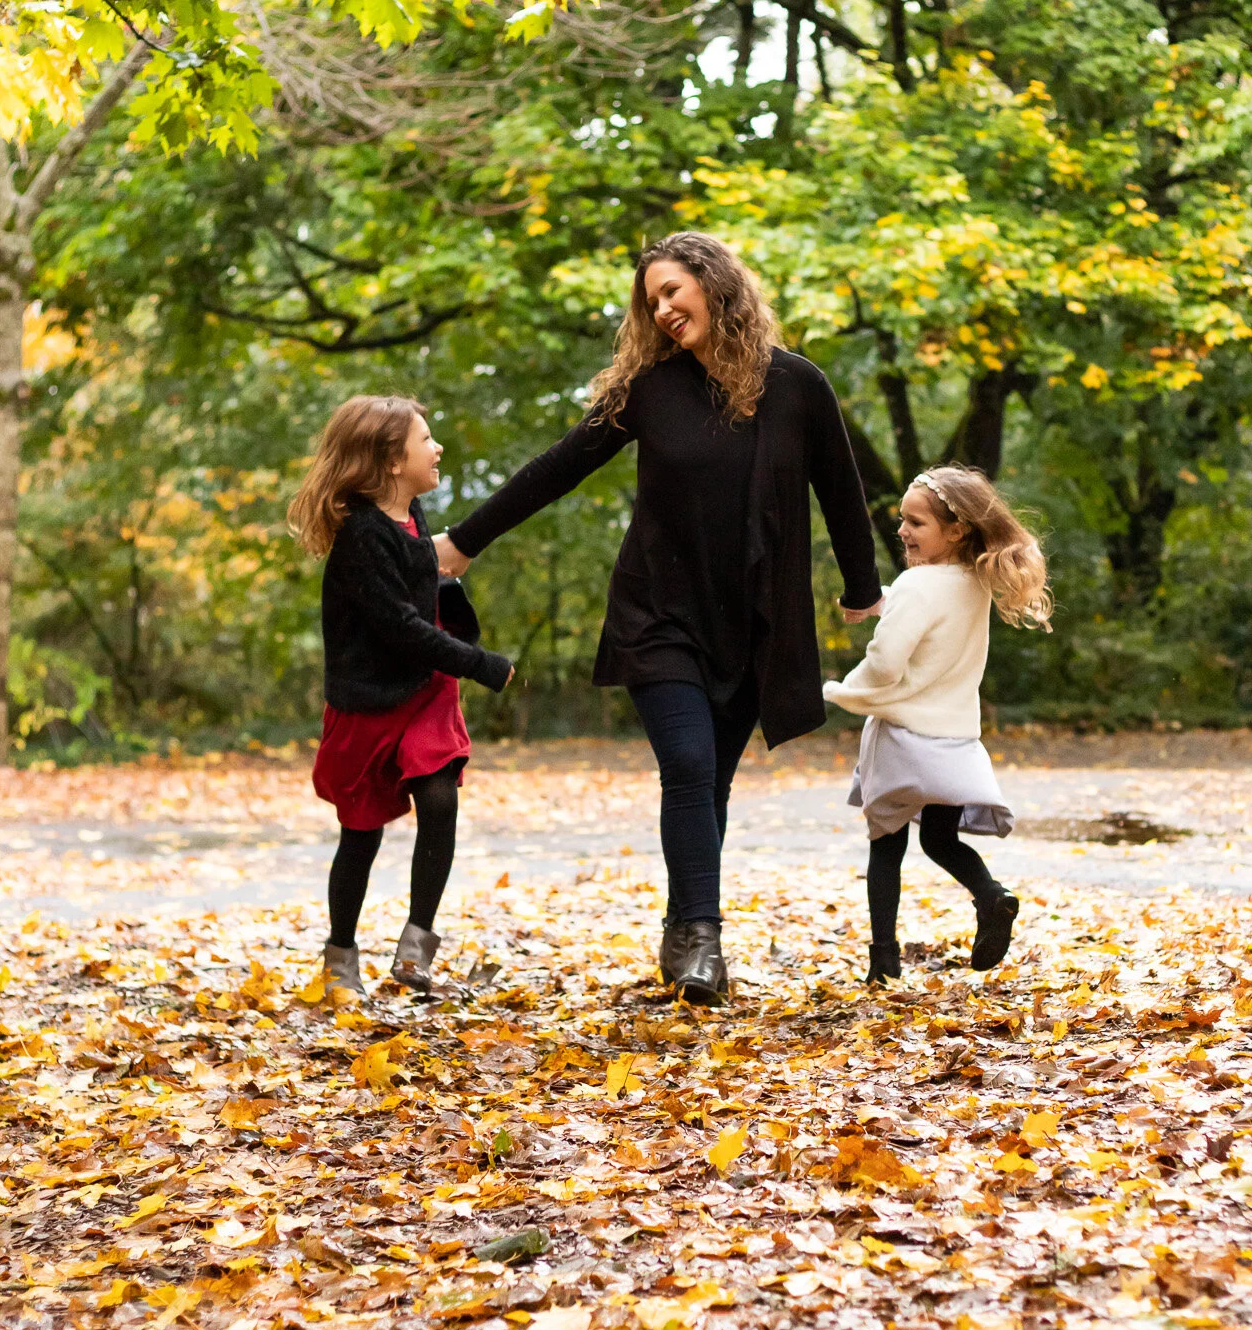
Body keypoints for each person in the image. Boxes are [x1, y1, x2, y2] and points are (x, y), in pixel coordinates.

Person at [435, 232, 881, 1005]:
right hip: (658, 613)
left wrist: (862, 587)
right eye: (652, 302)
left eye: (674, 291)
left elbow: (840, 491)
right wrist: (463, 542)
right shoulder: (651, 390)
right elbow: (558, 466)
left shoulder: (798, 386)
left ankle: (682, 927)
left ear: (715, 284)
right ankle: (705, 942)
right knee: (688, 765)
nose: (665, 309)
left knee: (711, 788)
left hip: (752, 621)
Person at [289, 395, 514, 999]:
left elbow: (426, 600)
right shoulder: (362, 534)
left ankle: (417, 948)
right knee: (361, 834)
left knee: (439, 799)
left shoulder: (413, 520)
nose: (437, 448)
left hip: (425, 692)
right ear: (392, 459)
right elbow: (399, 627)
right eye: (426, 439)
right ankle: (340, 953)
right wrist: (481, 664)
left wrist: (451, 599)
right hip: (370, 700)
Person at [823, 465, 1052, 984]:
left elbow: (886, 662)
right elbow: (929, 618)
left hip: (903, 742)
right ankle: (992, 896)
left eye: (917, 522)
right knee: (941, 841)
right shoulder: (974, 583)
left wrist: (843, 691)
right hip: (951, 744)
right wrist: (884, 603)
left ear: (956, 531)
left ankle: (884, 960)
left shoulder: (916, 584)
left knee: (887, 845)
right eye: (902, 520)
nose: (903, 529)